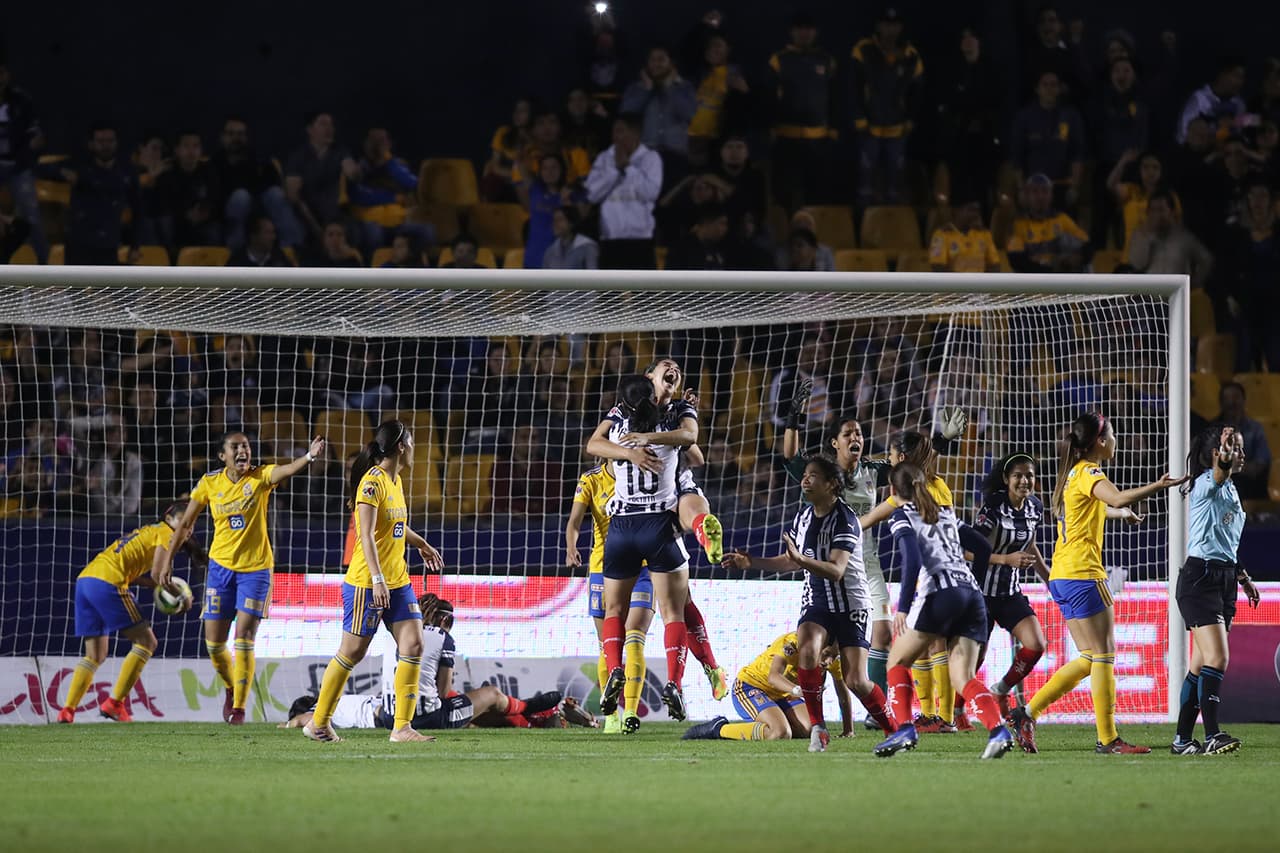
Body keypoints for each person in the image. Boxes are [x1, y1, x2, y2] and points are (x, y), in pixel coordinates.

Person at [1008, 411, 1185, 754]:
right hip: (1084, 574)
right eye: (1113, 435)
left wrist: (1121, 514)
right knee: (1103, 655)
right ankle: (1108, 739)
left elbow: (1096, 509)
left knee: (1090, 657)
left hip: (1061, 575)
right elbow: (1115, 497)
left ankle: (1026, 712)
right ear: (1101, 442)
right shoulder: (1091, 471)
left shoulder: (1073, 474)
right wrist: (1157, 486)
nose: (1116, 441)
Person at [780, 400, 968, 722]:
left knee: (882, 635)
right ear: (834, 442)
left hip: (867, 563)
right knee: (823, 642)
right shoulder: (822, 474)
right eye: (848, 433)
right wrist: (793, 420)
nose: (856, 437)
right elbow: (790, 458)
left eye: (860, 432)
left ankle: (875, 711)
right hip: (829, 564)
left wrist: (940, 442)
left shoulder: (871, 470)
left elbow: (912, 472)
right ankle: (822, 705)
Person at [720, 455, 897, 752]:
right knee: (808, 647)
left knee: (856, 680)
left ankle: (895, 730)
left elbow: (837, 569)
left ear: (831, 485)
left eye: (813, 475)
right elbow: (791, 564)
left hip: (852, 604)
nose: (805, 479)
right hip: (817, 600)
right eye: (804, 475)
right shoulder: (803, 518)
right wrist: (752, 562)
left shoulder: (846, 519)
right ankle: (819, 729)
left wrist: (801, 559)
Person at [153, 430, 326, 725]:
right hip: (220, 570)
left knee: (244, 638)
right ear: (223, 456)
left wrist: (309, 456)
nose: (242, 451)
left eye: (245, 446)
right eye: (235, 447)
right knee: (214, 645)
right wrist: (168, 560)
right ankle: (232, 688)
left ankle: (240, 708)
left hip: (256, 570)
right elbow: (184, 525)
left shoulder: (259, 477)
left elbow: (285, 469)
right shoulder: (210, 483)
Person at [303, 420, 445, 743]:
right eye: (410, 442)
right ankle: (318, 722)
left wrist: (420, 543)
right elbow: (365, 536)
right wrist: (378, 580)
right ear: (399, 447)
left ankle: (402, 727)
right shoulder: (371, 484)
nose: (413, 448)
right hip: (368, 582)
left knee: (414, 644)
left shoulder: (396, 481)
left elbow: (393, 527)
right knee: (352, 652)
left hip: (398, 580)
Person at [872, 464, 1010, 759]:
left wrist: (903, 609)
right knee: (963, 677)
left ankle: (905, 729)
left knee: (897, 662)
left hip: (940, 592)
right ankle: (998, 730)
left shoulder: (901, 515)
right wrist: (975, 583)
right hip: (972, 593)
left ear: (893, 491)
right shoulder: (946, 513)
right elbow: (983, 549)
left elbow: (911, 558)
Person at [586, 375, 694, 720]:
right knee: (674, 612)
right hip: (658, 524)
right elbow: (690, 438)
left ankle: (614, 669)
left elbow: (592, 444)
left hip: (621, 528)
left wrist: (628, 453)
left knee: (614, 611)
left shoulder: (618, 431)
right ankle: (674, 683)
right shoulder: (671, 425)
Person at [57, 501, 206, 723]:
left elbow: (139, 576)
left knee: (95, 655)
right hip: (108, 582)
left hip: (86, 581)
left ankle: (67, 711)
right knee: (147, 643)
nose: (189, 529)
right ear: (169, 519)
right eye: (185, 522)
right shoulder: (166, 534)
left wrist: (154, 586)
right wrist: (182, 597)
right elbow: (159, 575)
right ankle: (115, 703)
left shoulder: (147, 531)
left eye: (192, 525)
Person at [1172, 426, 1261, 755]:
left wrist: (1242, 577)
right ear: (1216, 454)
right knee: (1218, 657)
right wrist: (1224, 456)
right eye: (1234, 449)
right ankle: (1212, 735)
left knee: (1199, 665)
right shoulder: (1206, 483)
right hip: (1200, 580)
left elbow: (1222, 542)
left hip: (1223, 579)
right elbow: (1220, 471)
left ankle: (1182, 739)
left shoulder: (1230, 489)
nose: (1241, 455)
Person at [966, 453, 1050, 722]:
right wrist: (1006, 559)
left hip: (1009, 593)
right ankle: (955, 713)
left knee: (1036, 645)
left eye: (1029, 476)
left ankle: (1000, 690)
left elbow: (1031, 546)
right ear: (1006, 479)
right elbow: (968, 550)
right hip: (980, 593)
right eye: (1018, 476)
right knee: (974, 660)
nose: (1024, 481)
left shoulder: (1035, 508)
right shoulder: (992, 507)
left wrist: (1050, 579)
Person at [682, 633, 852, 742]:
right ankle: (718, 729)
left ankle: (775, 722)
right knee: (779, 734)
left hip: (783, 695)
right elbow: (773, 677)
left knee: (809, 729)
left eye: (834, 656)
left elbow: (843, 694)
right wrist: (798, 691)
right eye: (827, 654)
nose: (829, 661)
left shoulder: (832, 661)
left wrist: (848, 730)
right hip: (750, 687)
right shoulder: (792, 644)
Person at [849, 7, 924, 207]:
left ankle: (894, 221)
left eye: (894, 25)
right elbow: (853, 86)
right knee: (866, 179)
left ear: (900, 27)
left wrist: (911, 118)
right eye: (886, 24)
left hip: (897, 127)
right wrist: (859, 117)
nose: (890, 29)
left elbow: (918, 92)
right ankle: (864, 222)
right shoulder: (863, 49)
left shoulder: (911, 54)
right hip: (869, 126)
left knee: (896, 180)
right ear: (878, 26)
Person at [767, 11, 837, 210]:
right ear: (792, 32)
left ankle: (816, 236)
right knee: (784, 192)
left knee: (819, 192)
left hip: (818, 138)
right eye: (800, 29)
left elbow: (835, 97)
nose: (805, 33)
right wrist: (771, 127)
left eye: (809, 29)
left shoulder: (826, 60)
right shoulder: (779, 60)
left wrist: (834, 128)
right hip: (786, 137)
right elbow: (769, 98)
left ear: (815, 33)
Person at [585, 113, 662, 269]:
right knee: (609, 294)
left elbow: (650, 193)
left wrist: (628, 168)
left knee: (645, 294)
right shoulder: (604, 158)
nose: (615, 137)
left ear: (635, 133)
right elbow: (591, 195)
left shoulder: (650, 158)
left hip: (641, 241)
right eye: (614, 132)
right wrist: (614, 172)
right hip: (610, 241)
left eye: (620, 131)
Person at [212, 116, 301, 251]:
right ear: (222, 137)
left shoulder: (258, 159)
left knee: (276, 194)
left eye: (240, 134)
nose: (236, 138)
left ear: (246, 137)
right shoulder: (214, 163)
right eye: (231, 134)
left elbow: (271, 184)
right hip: (228, 213)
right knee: (240, 197)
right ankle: (237, 253)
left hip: (258, 208)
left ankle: (291, 250)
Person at [62, 122, 141, 265]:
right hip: (79, 242)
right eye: (101, 141)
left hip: (109, 242)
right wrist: (65, 174)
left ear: (116, 143)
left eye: (110, 141)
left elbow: (137, 209)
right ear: (91, 144)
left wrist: (135, 245)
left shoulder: (126, 173)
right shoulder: (80, 169)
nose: (106, 145)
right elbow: (42, 168)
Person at [347, 127, 432, 259]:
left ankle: (413, 268)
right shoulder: (358, 168)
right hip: (371, 220)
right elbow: (360, 196)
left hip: (397, 222)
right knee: (374, 235)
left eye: (382, 140)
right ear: (366, 144)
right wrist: (394, 198)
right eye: (374, 141)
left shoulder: (396, 165)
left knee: (427, 231)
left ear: (389, 144)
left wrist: (388, 160)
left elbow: (413, 184)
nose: (378, 145)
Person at [620, 46, 696, 190]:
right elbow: (627, 116)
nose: (656, 64)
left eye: (661, 59)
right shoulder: (636, 88)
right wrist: (646, 89)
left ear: (671, 63)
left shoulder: (685, 87)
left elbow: (689, 114)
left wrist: (669, 87)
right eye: (652, 60)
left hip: (676, 156)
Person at [1010, 71, 1086, 211]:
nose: (1049, 89)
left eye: (1053, 85)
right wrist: (1021, 189)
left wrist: (1075, 187)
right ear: (1037, 89)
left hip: (1062, 186)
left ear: (1059, 89)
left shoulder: (1070, 116)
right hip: (1033, 188)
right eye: (1045, 85)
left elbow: (1077, 154)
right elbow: (1017, 156)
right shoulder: (1024, 117)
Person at [284, 112, 358, 246]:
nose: (329, 129)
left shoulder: (340, 152)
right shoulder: (298, 157)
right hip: (307, 216)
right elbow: (294, 197)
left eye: (331, 125)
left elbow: (351, 170)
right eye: (323, 124)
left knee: (358, 232)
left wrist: (355, 171)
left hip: (335, 216)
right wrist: (316, 228)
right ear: (310, 129)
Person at [0, 56, 47, 263]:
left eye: (0, 73)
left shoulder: (21, 101)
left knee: (31, 217)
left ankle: (45, 267)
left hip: (17, 166)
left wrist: (33, 143)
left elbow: (36, 134)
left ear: (7, 75)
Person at [1007, 174, 1091, 273]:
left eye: (1045, 191)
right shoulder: (1018, 224)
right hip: (1032, 280)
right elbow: (1016, 261)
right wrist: (1050, 271)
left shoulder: (1061, 219)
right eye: (1035, 191)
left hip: (1060, 279)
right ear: (1027, 195)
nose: (1040, 196)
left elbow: (1087, 247)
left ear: (1051, 195)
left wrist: (1076, 259)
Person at [1105, 150, 1181, 260]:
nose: (1150, 172)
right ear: (1139, 170)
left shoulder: (1170, 196)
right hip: (1130, 259)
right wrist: (1123, 162)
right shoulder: (1130, 191)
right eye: (1145, 167)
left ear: (1162, 171)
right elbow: (1111, 185)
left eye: (1155, 167)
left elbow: (1177, 227)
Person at [1127, 191, 1212, 288]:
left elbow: (1206, 260)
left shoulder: (1183, 237)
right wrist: (1149, 238)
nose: (1156, 215)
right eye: (1152, 210)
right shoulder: (1140, 235)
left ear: (1171, 212)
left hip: (1175, 295)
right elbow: (1136, 265)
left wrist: (1193, 285)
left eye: (1161, 210)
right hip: (1149, 295)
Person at [154, 130, 222, 251]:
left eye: (195, 146)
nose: (191, 151)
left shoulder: (209, 171)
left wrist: (203, 211)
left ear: (201, 150)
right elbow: (163, 203)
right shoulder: (168, 172)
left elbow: (214, 198)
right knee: (165, 222)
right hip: (176, 221)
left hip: (202, 220)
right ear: (177, 150)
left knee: (215, 229)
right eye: (186, 146)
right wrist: (185, 214)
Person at [1212, 382, 1272, 499]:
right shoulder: (1212, 429)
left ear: (1244, 400)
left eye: (1235, 397)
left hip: (1249, 484)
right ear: (1221, 403)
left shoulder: (1256, 429)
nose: (1231, 403)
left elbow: (1261, 463)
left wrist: (1233, 467)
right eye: (1227, 398)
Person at [1176, 57, 1247, 145]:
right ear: (1222, 74)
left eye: (1242, 78)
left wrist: (1227, 127)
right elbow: (1183, 134)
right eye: (1236, 76)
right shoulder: (1200, 98)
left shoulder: (1239, 103)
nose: (1240, 82)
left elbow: (1244, 126)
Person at [481, 97, 532, 202]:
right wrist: (515, 175)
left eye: (522, 111)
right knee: (492, 181)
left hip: (527, 184)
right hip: (505, 181)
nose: (517, 114)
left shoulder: (537, 138)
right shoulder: (503, 132)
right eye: (516, 110)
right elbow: (495, 166)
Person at [929, 198, 1001, 272]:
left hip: (980, 283)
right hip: (953, 283)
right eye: (971, 210)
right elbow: (937, 268)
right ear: (957, 211)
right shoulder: (942, 235)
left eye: (977, 210)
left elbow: (995, 266)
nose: (975, 214)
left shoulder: (984, 234)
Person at [226, 215, 293, 267]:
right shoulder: (238, 260)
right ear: (254, 236)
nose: (273, 237)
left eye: (273, 232)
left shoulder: (279, 257)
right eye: (268, 233)